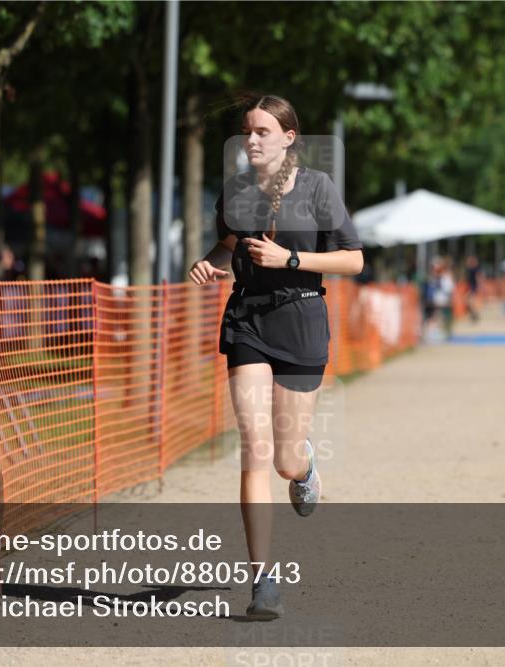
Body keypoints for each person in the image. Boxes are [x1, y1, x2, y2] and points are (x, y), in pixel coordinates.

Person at [188, 94, 364, 620]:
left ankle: (304, 466)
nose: (252, 140)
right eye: (247, 131)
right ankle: (262, 580)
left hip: (302, 319)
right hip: (248, 321)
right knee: (254, 447)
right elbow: (229, 244)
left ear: (289, 137)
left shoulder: (317, 188)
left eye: (263, 131)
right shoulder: (237, 191)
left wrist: (291, 257)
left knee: (284, 458)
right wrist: (210, 262)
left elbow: (354, 259)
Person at [464, 255, 481, 323]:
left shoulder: (475, 269)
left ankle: (475, 314)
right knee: (469, 300)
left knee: (470, 300)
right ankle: (474, 313)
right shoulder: (471, 269)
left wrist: (479, 285)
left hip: (473, 287)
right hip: (471, 287)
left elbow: (478, 277)